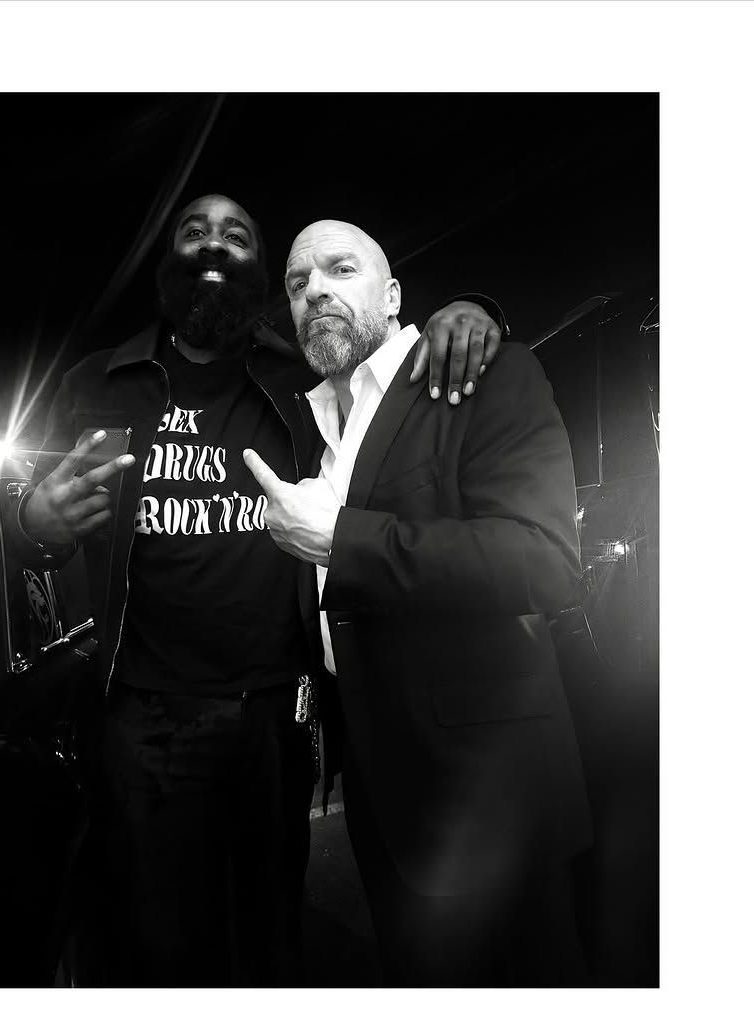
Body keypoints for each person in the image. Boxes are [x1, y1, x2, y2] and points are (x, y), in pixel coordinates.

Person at [8, 193, 507, 987]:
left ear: (261, 272)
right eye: (194, 231)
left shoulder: (299, 375)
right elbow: (30, 523)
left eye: (236, 236)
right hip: (140, 717)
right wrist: (32, 523)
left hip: (274, 717)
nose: (214, 244)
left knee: (268, 938)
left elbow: (393, 367)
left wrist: (475, 310)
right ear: (167, 262)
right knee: (154, 948)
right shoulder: (96, 382)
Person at [244, 219, 593, 986]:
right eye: (298, 284)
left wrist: (341, 540)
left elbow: (544, 562)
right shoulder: (318, 426)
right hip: (382, 798)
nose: (315, 291)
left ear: (396, 295)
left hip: (489, 800)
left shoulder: (487, 373)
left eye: (340, 269)